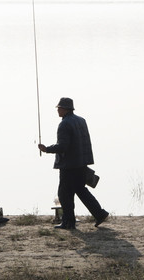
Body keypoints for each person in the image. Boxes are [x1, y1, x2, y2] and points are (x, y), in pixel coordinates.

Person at [38, 97, 109, 230]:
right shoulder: (81, 121)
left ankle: (69, 222)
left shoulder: (64, 124)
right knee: (81, 190)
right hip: (81, 163)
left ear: (65, 109)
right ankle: (99, 213)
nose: (57, 110)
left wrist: (47, 149)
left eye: (59, 108)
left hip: (69, 166)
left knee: (64, 194)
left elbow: (63, 147)